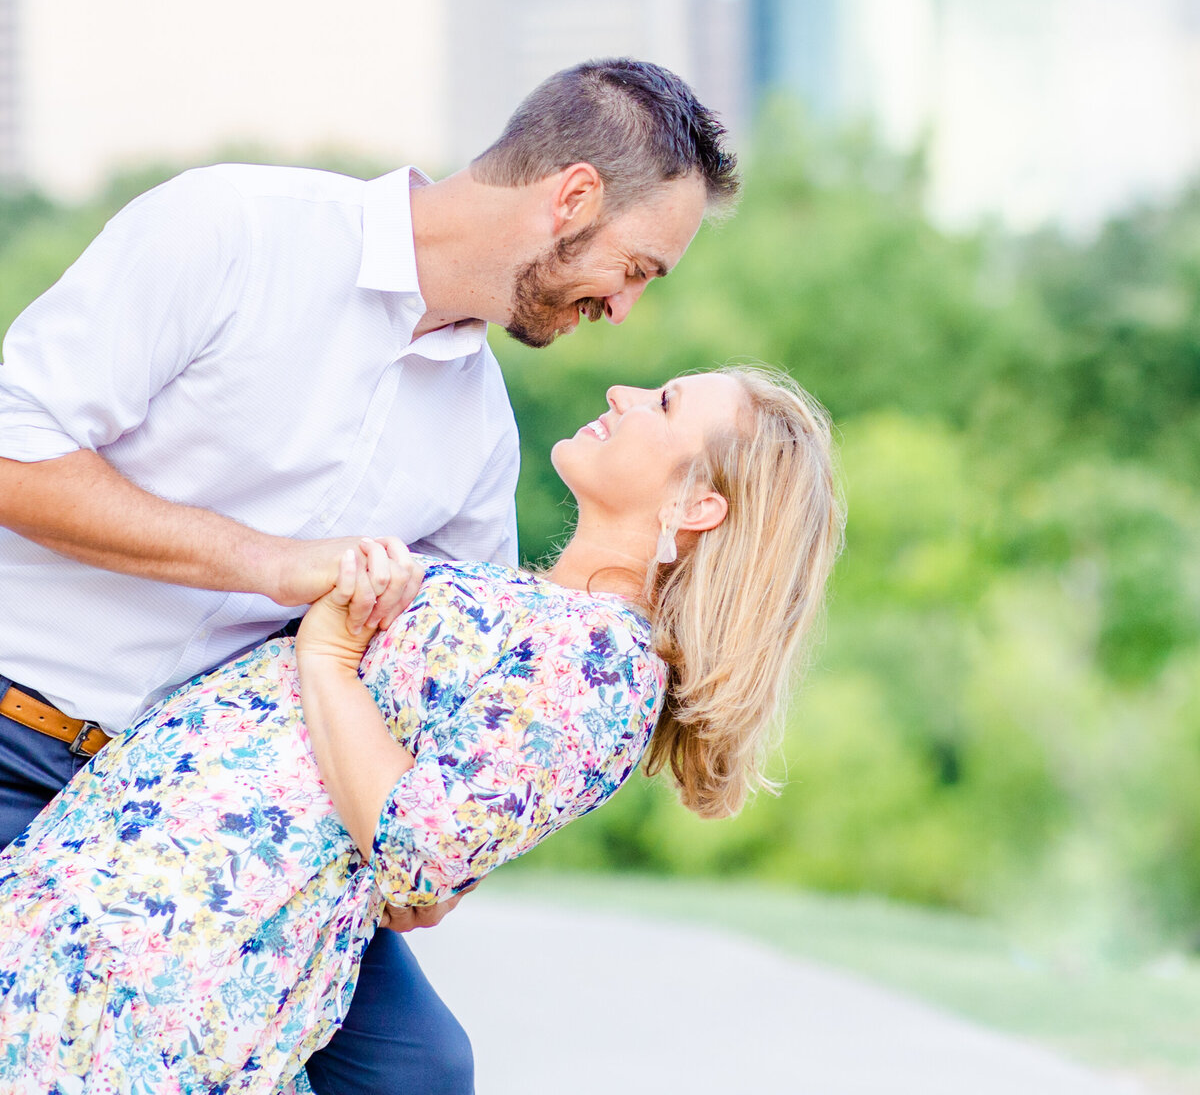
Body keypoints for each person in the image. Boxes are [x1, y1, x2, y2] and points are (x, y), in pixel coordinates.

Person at [0, 59, 739, 1095]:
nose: (623, 309)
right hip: (15, 733)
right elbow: (12, 453)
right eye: (639, 267)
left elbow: (434, 721)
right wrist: (269, 566)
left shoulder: (479, 434)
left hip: (232, 824)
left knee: (414, 1072)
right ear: (571, 199)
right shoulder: (234, 231)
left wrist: (440, 850)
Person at [0, 366, 841, 1095]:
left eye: (662, 404)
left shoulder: (606, 665)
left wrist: (327, 658)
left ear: (699, 505)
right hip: (108, 893)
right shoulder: (537, 608)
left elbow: (420, 851)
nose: (623, 393)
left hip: (173, 948)